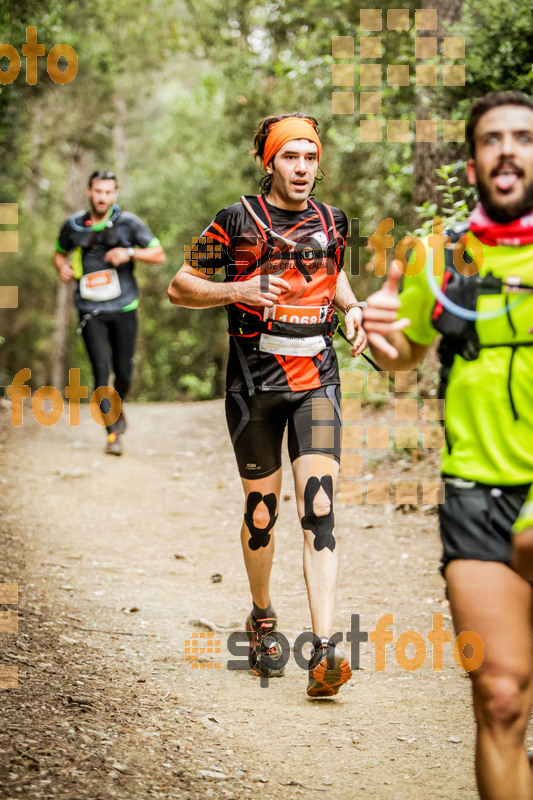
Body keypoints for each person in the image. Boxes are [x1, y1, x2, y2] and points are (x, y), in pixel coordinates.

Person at [363, 91, 533, 799]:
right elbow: (405, 353)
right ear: (471, 165)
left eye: (523, 137)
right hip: (473, 489)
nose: (507, 150)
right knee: (498, 696)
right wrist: (378, 334)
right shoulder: (438, 255)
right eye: (492, 139)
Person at [168, 113, 367, 696]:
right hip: (253, 385)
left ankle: (325, 651)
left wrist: (351, 307)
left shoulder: (333, 221)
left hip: (317, 381)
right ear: (270, 163)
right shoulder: (236, 219)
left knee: (320, 507)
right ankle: (262, 617)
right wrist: (238, 289)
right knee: (263, 513)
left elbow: (333, 276)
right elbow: (179, 286)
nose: (302, 169)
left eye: (310, 157)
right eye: (290, 158)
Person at [54, 170, 165, 455]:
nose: (103, 197)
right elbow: (59, 252)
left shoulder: (128, 223)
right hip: (90, 310)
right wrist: (62, 267)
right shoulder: (73, 225)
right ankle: (113, 434)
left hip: (124, 307)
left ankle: (118, 404)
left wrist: (129, 253)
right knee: (101, 373)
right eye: (98, 191)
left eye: (108, 192)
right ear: (89, 192)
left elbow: (158, 254)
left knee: (124, 373)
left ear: (115, 194)